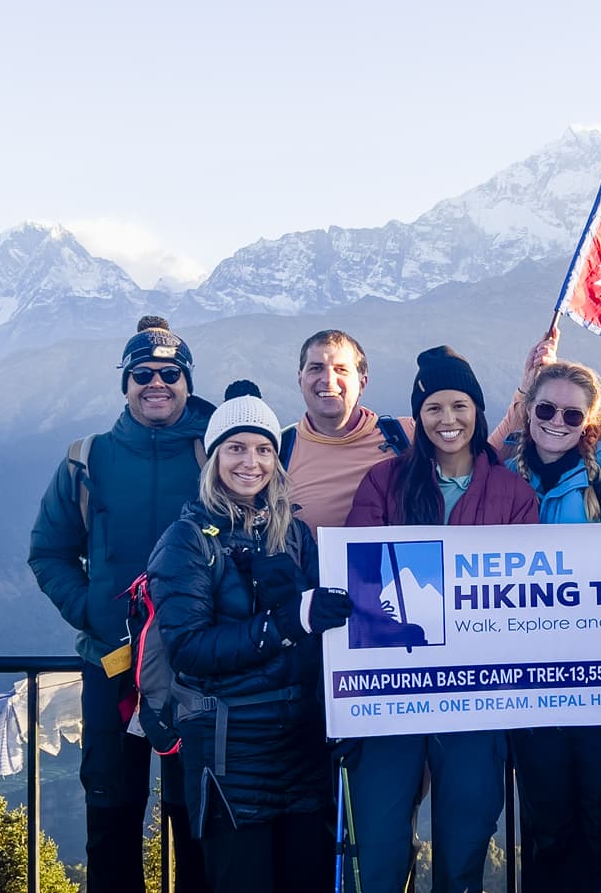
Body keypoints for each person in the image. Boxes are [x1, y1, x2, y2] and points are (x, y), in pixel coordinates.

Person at [345, 345, 539, 893]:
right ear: (418, 416)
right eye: (433, 408)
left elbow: (526, 599)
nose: (447, 420)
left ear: (478, 410)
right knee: (380, 851)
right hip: (392, 687)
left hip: (475, 695)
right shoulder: (384, 483)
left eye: (459, 405)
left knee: (464, 847)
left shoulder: (513, 493)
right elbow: (362, 575)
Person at [146, 380, 353, 892]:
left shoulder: (293, 534)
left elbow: (317, 631)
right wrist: (286, 623)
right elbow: (189, 648)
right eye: (236, 448)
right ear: (214, 458)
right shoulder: (187, 540)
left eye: (264, 449)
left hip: (303, 747)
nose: (251, 462)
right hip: (229, 755)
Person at [28, 316, 208, 893]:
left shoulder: (218, 454)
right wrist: (94, 613)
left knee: (197, 819)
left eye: (170, 373)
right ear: (125, 383)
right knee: (110, 815)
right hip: (111, 665)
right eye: (142, 373)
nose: (156, 383)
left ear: (187, 380)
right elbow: (48, 552)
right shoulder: (88, 460)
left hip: (197, 666)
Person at [505, 359, 601, 891]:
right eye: (545, 409)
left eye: (571, 415)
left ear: (589, 422)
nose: (555, 422)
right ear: (527, 412)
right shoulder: (503, 480)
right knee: (546, 831)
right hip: (530, 691)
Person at [284, 328, 540, 535]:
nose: (328, 380)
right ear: (300, 377)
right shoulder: (279, 450)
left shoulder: (399, 434)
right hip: (312, 590)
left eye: (341, 369)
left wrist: (526, 393)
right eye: (316, 368)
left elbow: (473, 448)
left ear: (362, 382)